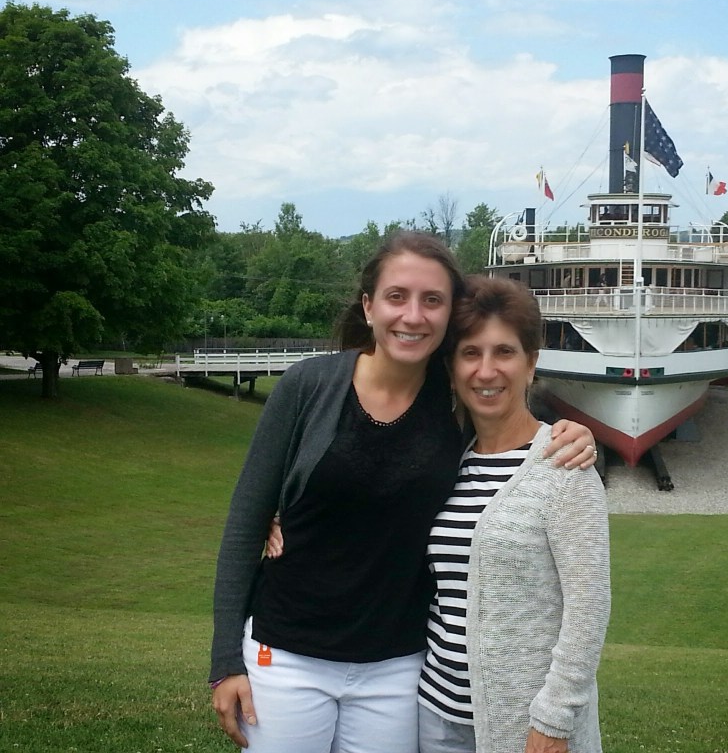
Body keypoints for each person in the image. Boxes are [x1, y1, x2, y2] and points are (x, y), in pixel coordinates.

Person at [209, 232, 597, 752]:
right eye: (397, 296)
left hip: (396, 667)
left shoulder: (454, 401)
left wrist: (576, 432)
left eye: (432, 300)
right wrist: (224, 663)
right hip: (287, 653)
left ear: (448, 315)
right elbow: (244, 523)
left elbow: (510, 422)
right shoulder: (309, 386)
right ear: (369, 306)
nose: (413, 316)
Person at [417, 276, 610, 753]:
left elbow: (588, 608)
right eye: (470, 353)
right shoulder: (445, 464)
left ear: (531, 363)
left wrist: (554, 719)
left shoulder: (564, 464)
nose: (486, 371)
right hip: (436, 714)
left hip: (525, 724)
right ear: (452, 367)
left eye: (504, 352)